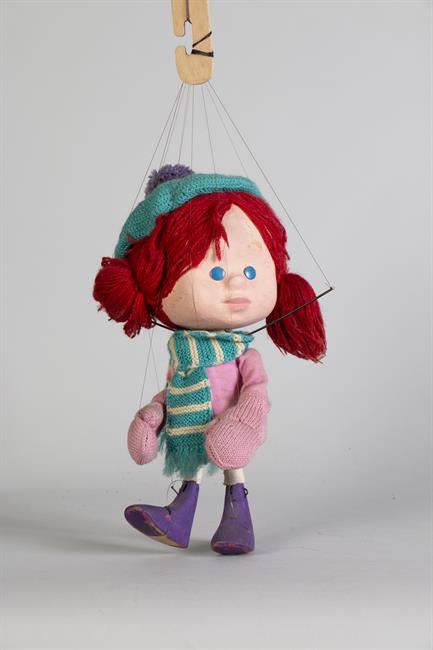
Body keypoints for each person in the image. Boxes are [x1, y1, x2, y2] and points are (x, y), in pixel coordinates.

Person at [93, 164, 326, 554]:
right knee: (194, 470)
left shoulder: (243, 356)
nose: (236, 282)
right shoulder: (183, 353)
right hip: (193, 427)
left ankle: (237, 520)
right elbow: (173, 390)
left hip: (229, 426)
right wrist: (154, 414)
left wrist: (241, 422)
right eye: (216, 272)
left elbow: (256, 392)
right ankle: (178, 518)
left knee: (233, 471)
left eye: (249, 270)